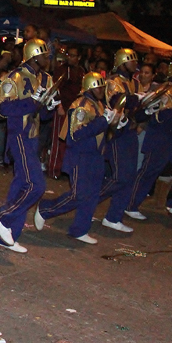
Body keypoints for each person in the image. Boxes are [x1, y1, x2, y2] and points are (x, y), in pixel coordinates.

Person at [0, 39, 58, 253]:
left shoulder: (44, 78)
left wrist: (49, 106)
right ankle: (3, 216)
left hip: (33, 135)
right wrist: (33, 102)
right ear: (33, 55)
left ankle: (8, 235)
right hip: (18, 134)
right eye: (44, 54)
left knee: (21, 185)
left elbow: (42, 114)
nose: (47, 58)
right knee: (36, 184)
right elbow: (2, 109)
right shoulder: (15, 77)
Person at [34, 72, 116, 244]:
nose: (102, 90)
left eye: (103, 86)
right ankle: (46, 209)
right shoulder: (81, 105)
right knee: (78, 194)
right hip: (81, 156)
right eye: (98, 86)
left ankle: (79, 229)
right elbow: (75, 135)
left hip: (96, 156)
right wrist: (102, 122)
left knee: (92, 195)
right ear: (90, 87)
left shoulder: (98, 104)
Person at [126, 59, 172, 221]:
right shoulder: (165, 90)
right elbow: (158, 116)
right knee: (148, 172)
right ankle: (129, 204)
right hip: (159, 137)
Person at [97, 48, 145, 232]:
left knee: (129, 177)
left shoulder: (135, 82)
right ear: (122, 61)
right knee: (120, 177)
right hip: (117, 134)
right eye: (132, 60)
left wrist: (145, 109)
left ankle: (113, 216)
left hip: (130, 132)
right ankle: (86, 200)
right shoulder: (113, 81)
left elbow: (138, 108)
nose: (135, 64)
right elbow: (119, 101)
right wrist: (138, 99)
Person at [47, 46, 85, 178]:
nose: (70, 58)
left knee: (69, 141)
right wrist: (60, 106)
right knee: (58, 139)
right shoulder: (62, 70)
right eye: (69, 55)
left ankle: (65, 170)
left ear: (79, 58)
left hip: (74, 110)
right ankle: (54, 170)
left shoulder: (81, 71)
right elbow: (56, 89)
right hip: (63, 109)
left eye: (73, 55)